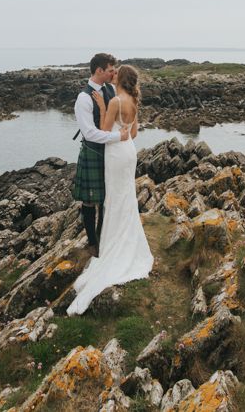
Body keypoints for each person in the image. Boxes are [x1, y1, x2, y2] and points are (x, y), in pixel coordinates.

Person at [67, 64, 154, 316]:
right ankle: (122, 239)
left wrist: (105, 108)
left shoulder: (115, 101)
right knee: (125, 198)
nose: (112, 75)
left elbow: (104, 132)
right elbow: (133, 133)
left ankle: (109, 245)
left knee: (114, 199)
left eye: (115, 73)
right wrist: (121, 130)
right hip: (129, 153)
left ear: (120, 78)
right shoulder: (134, 101)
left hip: (115, 154)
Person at [72, 53, 130, 257]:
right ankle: (92, 242)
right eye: (110, 70)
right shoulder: (83, 98)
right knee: (89, 201)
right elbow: (89, 133)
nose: (113, 73)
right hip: (93, 153)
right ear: (99, 71)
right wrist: (118, 137)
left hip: (110, 153)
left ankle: (103, 238)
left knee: (107, 198)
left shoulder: (110, 89)